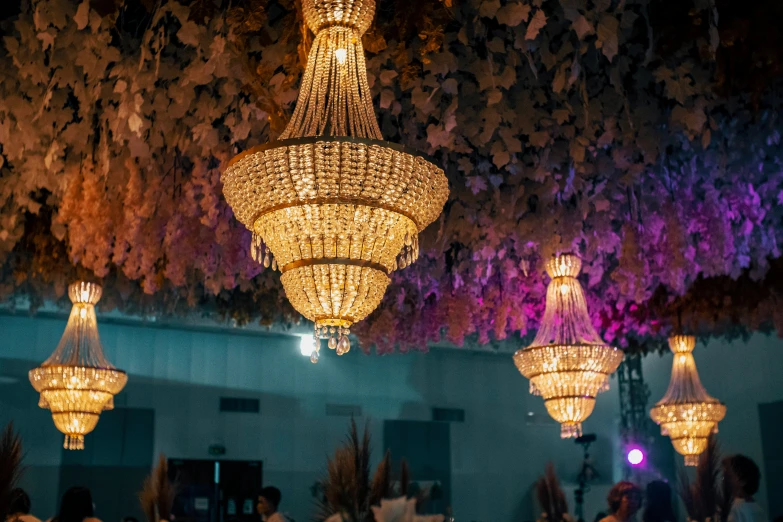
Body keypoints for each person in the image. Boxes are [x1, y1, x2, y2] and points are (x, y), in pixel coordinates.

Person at [724, 455, 768, 522]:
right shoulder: (758, 509)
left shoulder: (735, 509)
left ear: (742, 481)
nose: (724, 480)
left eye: (728, 476)